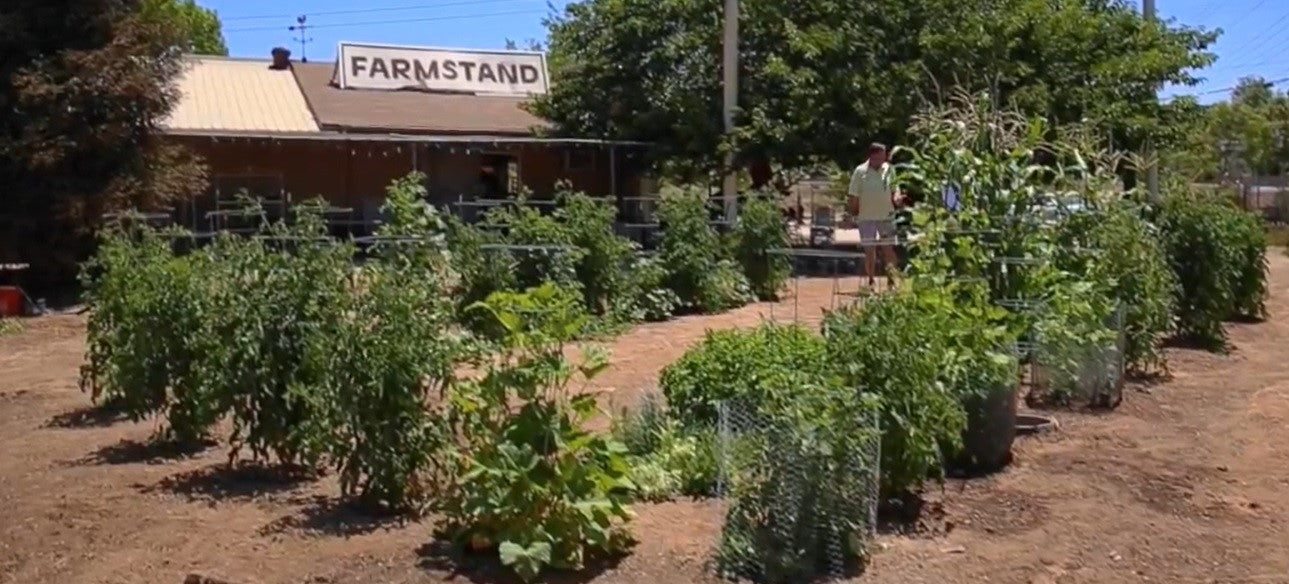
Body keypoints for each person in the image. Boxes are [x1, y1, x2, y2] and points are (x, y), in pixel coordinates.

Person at [847, 142, 904, 286]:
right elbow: (854, 195)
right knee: (870, 250)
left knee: (889, 249)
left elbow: (895, 187)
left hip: (886, 216)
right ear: (872, 156)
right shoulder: (860, 172)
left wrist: (897, 196)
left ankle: (892, 279)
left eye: (884, 156)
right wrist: (853, 212)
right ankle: (871, 280)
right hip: (866, 217)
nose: (883, 159)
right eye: (880, 156)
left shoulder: (889, 169)